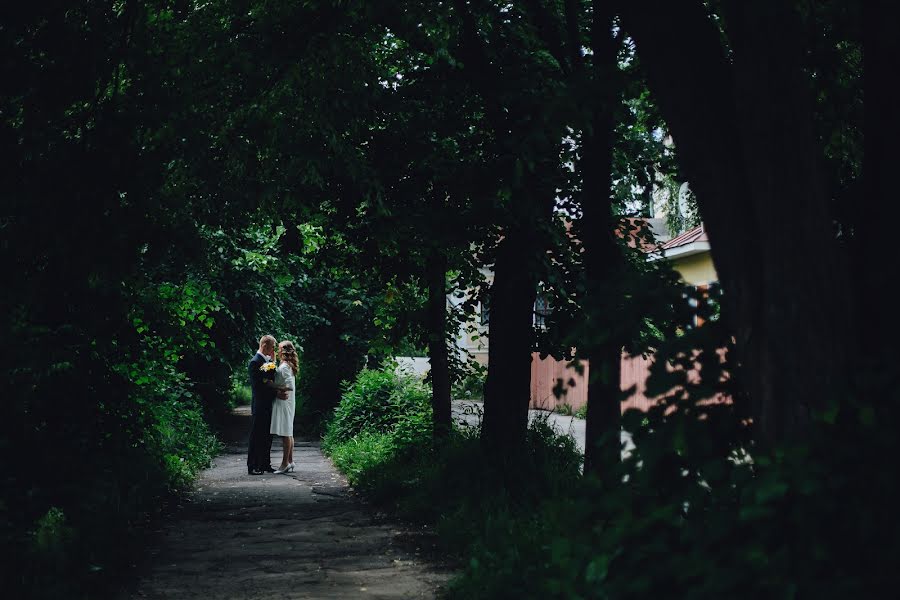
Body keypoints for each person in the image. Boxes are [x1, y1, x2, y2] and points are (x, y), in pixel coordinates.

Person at [247, 335, 277, 475]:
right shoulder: (255, 362)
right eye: (272, 347)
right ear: (265, 346)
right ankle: (252, 465)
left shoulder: (266, 361)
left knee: (267, 435)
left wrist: (272, 362)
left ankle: (265, 463)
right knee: (256, 436)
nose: (273, 350)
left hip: (267, 404)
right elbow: (260, 384)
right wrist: (269, 383)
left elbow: (270, 377)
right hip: (259, 405)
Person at [270, 340, 299, 474]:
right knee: (288, 432)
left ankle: (284, 464)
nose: (277, 350)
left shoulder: (286, 366)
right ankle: (291, 461)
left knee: (286, 434)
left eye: (279, 348)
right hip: (287, 401)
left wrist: (273, 386)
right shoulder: (287, 364)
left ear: (284, 350)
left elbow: (290, 386)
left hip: (285, 401)